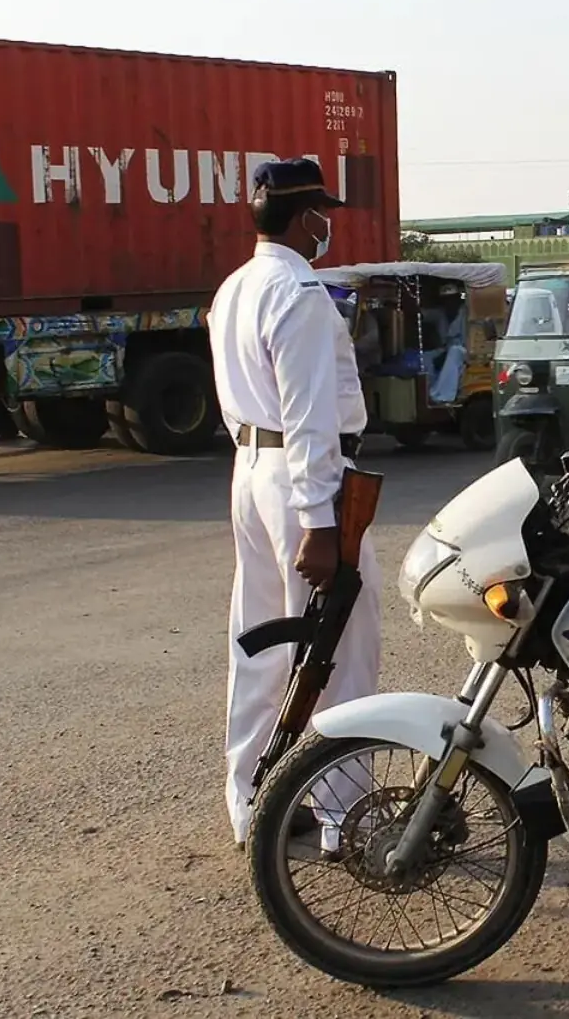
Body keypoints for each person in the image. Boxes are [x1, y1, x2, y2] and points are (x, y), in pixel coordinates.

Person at [209, 157, 382, 850]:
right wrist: (318, 522)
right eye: (323, 214)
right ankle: (346, 817)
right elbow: (309, 416)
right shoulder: (300, 292)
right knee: (340, 648)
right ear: (306, 217)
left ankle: (251, 803)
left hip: (251, 469)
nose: (327, 226)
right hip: (302, 479)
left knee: (259, 642)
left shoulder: (235, 287)